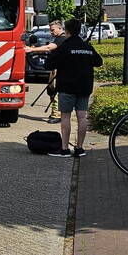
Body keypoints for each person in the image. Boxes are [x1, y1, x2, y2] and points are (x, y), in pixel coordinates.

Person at [45, 18, 103, 158]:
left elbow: (48, 65)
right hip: (84, 88)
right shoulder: (87, 47)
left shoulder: (65, 47)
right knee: (82, 117)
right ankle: (79, 148)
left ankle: (64, 149)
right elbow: (98, 62)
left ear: (67, 31)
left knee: (66, 117)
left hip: (67, 87)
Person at [28, 19, 65, 123]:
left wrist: (31, 50)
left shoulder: (61, 39)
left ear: (59, 28)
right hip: (54, 69)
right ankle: (55, 112)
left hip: (59, 70)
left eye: (53, 30)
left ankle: (57, 115)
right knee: (51, 91)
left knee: (56, 91)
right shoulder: (58, 38)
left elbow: (49, 47)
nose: (51, 32)